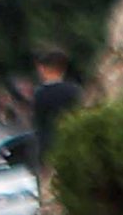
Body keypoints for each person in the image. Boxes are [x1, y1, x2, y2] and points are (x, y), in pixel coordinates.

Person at [24, 50, 83, 193]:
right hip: (73, 148)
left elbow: (39, 125)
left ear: (43, 68)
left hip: (49, 149)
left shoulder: (40, 95)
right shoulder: (75, 91)